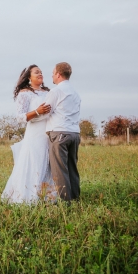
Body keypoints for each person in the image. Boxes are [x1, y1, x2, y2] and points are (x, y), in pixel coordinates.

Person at [1, 65, 56, 204]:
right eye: (36, 72)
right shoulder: (25, 93)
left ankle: (48, 196)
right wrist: (37, 111)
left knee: (49, 164)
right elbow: (20, 117)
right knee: (34, 162)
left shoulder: (48, 92)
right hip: (35, 133)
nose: (40, 74)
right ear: (29, 77)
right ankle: (27, 197)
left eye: (41, 72)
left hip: (50, 132)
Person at [44, 62, 81, 202]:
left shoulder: (56, 92)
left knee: (59, 169)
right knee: (72, 167)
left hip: (59, 133)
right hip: (74, 134)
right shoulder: (75, 93)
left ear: (58, 74)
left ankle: (65, 201)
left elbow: (45, 112)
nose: (52, 76)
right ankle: (75, 197)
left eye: (53, 73)